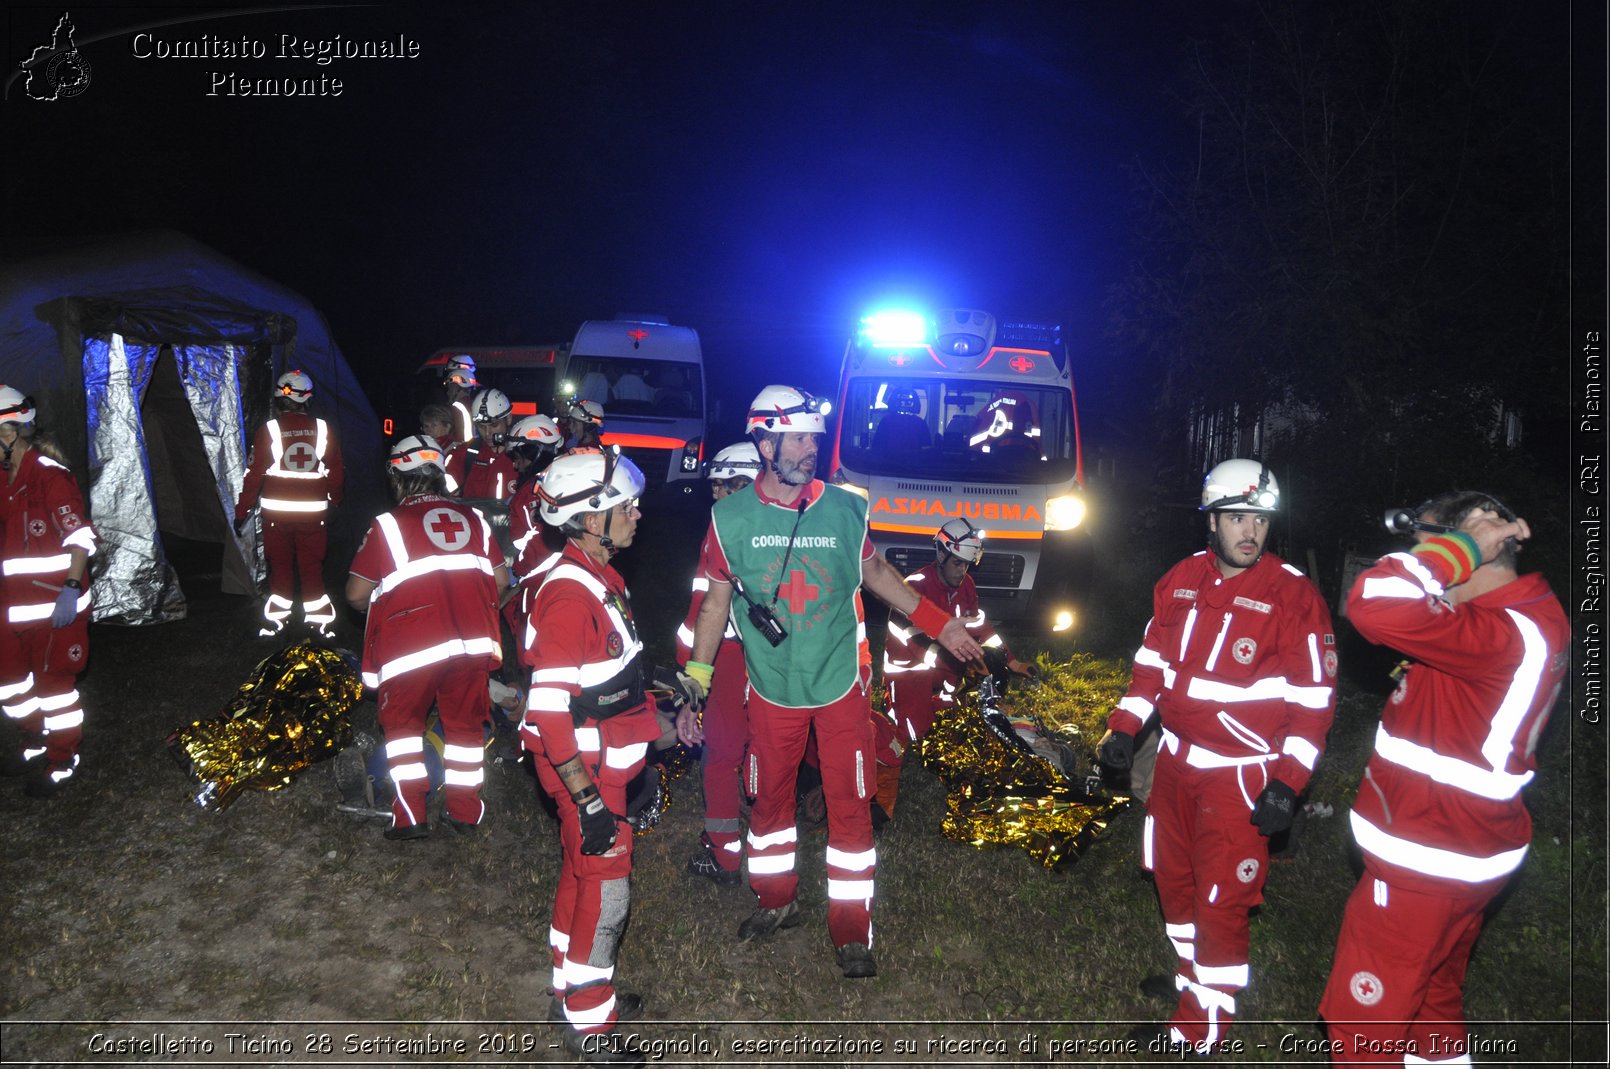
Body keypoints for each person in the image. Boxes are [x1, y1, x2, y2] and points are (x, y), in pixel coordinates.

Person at [677, 385, 985, 979]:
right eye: (797, 438)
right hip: (771, 688)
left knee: (852, 806)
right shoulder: (728, 518)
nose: (810, 448)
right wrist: (698, 674)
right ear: (764, 442)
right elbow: (715, 604)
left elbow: (876, 573)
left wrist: (939, 625)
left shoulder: (846, 508)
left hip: (842, 682)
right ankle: (776, 900)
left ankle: (852, 931)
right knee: (769, 802)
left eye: (814, 437)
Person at [1097, 458, 1337, 1054]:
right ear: (1211, 522)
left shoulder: (1295, 598)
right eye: (1236, 517)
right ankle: (1192, 981)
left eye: (1259, 518)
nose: (1249, 531)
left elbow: (1313, 705)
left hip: (1241, 779)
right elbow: (1150, 664)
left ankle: (1201, 1029)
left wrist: (1288, 784)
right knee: (1174, 884)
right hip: (1175, 767)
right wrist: (1125, 729)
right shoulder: (1179, 579)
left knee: (1220, 901)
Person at [1318, 492, 1566, 1066]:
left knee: (1365, 1033)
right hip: (1470, 853)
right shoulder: (1522, 613)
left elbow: (1372, 602)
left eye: (1430, 551)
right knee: (1433, 1001)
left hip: (1428, 859)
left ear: (1471, 554)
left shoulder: (1502, 633)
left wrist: (1460, 547)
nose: (1426, 566)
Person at [519, 448, 658, 1066]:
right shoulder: (570, 595)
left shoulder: (597, 576)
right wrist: (590, 801)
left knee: (581, 872)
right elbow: (550, 711)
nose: (635, 513)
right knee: (608, 890)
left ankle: (567, 990)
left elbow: (605, 676)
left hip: (603, 762)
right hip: (585, 769)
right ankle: (591, 1026)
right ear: (589, 518)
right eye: (622, 505)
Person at [345, 435, 508, 838]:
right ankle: (465, 812)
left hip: (411, 648)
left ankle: (410, 816)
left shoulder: (388, 526)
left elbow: (354, 594)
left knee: (402, 730)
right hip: (470, 644)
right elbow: (502, 582)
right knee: (466, 731)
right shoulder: (476, 520)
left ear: (397, 477)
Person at [874, 516, 1036, 819]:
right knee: (922, 741)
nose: (963, 571)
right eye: (958, 563)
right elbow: (911, 639)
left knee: (955, 726)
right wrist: (961, 660)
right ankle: (896, 705)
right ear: (941, 555)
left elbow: (980, 625)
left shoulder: (966, 585)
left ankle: (943, 699)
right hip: (907, 670)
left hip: (944, 670)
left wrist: (1010, 659)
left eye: (967, 564)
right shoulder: (914, 587)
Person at [674, 442, 764, 886]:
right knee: (759, 746)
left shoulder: (725, 530)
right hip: (763, 659)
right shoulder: (778, 527)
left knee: (721, 757)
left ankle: (726, 857)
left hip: (723, 659)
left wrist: (692, 679)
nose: (714, 496)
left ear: (744, 483)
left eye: (721, 486)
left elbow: (705, 613)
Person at [0, 386, 96, 798]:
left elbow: (80, 538)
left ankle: (62, 757)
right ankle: (34, 737)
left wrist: (71, 589)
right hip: (12, 606)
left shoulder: (50, 478)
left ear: (9, 433)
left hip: (56, 604)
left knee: (55, 688)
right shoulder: (5, 478)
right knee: (8, 683)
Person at [235, 370, 346, 638]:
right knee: (311, 568)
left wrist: (242, 512)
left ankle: (276, 622)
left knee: (281, 567)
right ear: (308, 398)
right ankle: (319, 624)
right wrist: (335, 502)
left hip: (277, 517)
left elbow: (253, 476)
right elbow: (337, 472)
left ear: (278, 399)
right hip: (314, 517)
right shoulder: (323, 429)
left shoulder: (269, 430)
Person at [445, 388, 518, 503]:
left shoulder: (523, 457)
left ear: (508, 419)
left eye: (494, 425)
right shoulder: (463, 455)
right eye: (482, 426)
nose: (487, 433)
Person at [441, 356, 478, 446]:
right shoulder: (473, 403)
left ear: (456, 387)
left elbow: (462, 439)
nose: (448, 392)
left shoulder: (458, 407)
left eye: (449, 387)